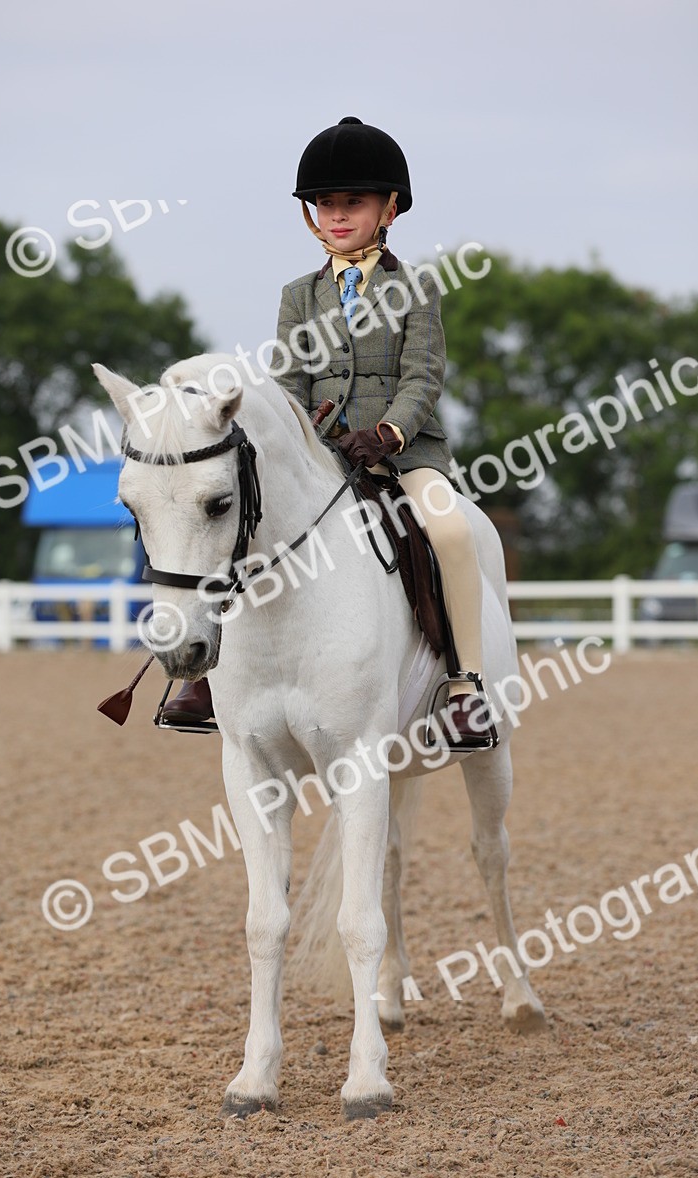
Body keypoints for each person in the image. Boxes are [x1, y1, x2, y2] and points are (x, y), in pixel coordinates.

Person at [161, 116, 493, 748]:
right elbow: (289, 380)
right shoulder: (298, 295)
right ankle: (205, 676)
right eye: (326, 205)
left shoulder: (416, 289)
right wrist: (305, 439)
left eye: (353, 203)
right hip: (323, 454)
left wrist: (389, 433)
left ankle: (464, 685)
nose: (338, 216)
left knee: (449, 529)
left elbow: (424, 375)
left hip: (403, 453)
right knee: (244, 526)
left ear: (389, 207)